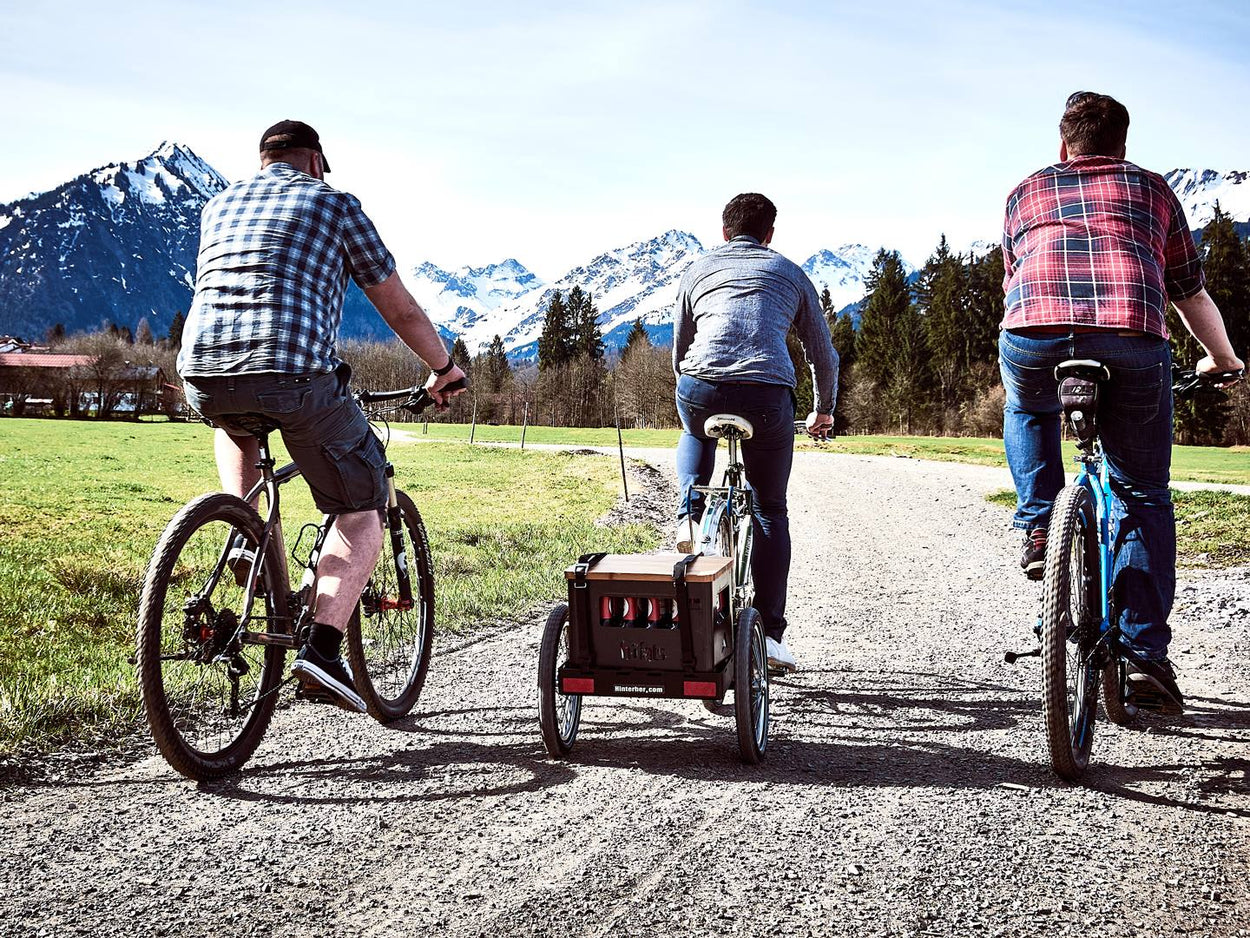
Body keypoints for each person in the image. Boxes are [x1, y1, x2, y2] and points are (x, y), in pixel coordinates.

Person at [177, 120, 467, 712]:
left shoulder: (218, 206)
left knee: (237, 422)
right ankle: (323, 650)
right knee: (361, 508)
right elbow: (399, 306)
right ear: (315, 162)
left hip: (203, 373)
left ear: (264, 161)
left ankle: (244, 529)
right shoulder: (334, 204)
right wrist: (443, 368)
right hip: (294, 376)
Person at [999, 92, 1243, 710]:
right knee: (1142, 492)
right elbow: (1189, 290)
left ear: (1063, 144)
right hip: (1133, 334)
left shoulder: (1024, 191)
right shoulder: (1154, 190)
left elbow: (1014, 276)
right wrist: (1221, 359)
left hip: (1034, 332)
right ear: (1123, 145)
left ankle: (1037, 523)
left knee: (1028, 409)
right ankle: (1143, 658)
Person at [672, 192, 839, 673]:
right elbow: (823, 356)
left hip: (700, 386)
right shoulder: (790, 272)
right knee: (770, 508)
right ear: (769, 235)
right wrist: (822, 411)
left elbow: (682, 344)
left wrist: (687, 391)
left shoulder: (697, 269)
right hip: (767, 398)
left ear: (724, 232)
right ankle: (768, 635)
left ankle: (689, 515)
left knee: (695, 432)